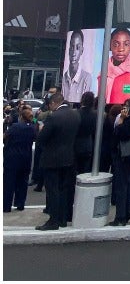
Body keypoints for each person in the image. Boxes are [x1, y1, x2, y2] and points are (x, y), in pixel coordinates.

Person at [33, 90, 80, 231]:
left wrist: (41, 129)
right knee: (64, 189)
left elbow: (41, 139)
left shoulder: (54, 117)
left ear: (54, 103)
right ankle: (63, 218)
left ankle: (53, 220)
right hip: (69, 157)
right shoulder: (75, 115)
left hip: (52, 159)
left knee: (52, 190)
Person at [110, 97, 130, 226]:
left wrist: (122, 119)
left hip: (123, 156)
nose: (123, 108)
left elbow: (118, 132)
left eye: (126, 106)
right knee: (128, 184)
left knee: (121, 186)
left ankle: (121, 216)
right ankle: (129, 212)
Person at [3, 105, 36, 212]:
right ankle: (20, 203)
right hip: (26, 157)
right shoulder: (32, 128)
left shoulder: (15, 127)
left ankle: (6, 205)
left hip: (12, 157)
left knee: (9, 182)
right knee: (23, 182)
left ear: (21, 116)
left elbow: (5, 137)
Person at [62, 30, 92, 103]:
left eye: (78, 48)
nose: (74, 53)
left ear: (82, 50)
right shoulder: (65, 76)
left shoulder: (86, 78)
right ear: (69, 49)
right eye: (72, 47)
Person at [73, 91, 96, 174]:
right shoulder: (95, 115)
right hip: (88, 144)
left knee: (74, 170)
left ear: (82, 100)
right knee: (85, 171)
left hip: (75, 144)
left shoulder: (75, 113)